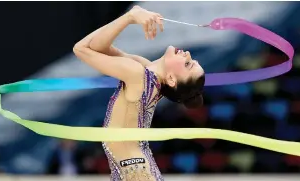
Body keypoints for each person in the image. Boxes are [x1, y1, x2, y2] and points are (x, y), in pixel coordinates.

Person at [73, 5, 205, 181]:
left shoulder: (138, 75)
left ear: (172, 80)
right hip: (135, 167)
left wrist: (130, 17)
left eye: (188, 65)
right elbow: (98, 46)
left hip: (136, 169)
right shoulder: (143, 70)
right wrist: (130, 15)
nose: (188, 54)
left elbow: (81, 49)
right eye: (192, 60)